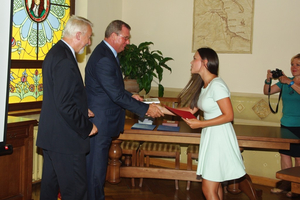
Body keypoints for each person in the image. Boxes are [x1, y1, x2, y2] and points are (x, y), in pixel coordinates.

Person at [159, 47, 260, 200]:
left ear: (204, 62)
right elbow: (190, 110)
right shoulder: (205, 86)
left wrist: (201, 124)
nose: (191, 62)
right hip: (211, 136)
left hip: (219, 138)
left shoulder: (217, 85)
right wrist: (161, 109)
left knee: (208, 189)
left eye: (195, 58)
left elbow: (229, 115)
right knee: (215, 186)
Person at [85, 20, 163, 200]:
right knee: (95, 173)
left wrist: (130, 96)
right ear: (114, 36)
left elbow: (114, 90)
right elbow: (115, 96)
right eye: (125, 38)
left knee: (97, 171)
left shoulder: (107, 54)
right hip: (100, 123)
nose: (128, 42)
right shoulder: (104, 58)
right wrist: (146, 109)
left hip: (102, 121)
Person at [36, 15, 98, 200]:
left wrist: (81, 107)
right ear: (78, 35)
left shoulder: (56, 52)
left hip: (53, 138)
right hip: (65, 141)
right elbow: (64, 104)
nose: (88, 42)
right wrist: (87, 127)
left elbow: (59, 97)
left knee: (49, 190)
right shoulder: (64, 59)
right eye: (88, 37)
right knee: (75, 192)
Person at [264, 54, 300, 198]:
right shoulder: (285, 82)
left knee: (298, 157)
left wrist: (290, 83)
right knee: (285, 154)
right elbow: (267, 91)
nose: (294, 67)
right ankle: (286, 184)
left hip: (299, 126)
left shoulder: (289, 82)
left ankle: (297, 186)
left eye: (298, 65)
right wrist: (268, 79)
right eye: (292, 64)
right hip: (286, 124)